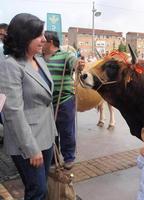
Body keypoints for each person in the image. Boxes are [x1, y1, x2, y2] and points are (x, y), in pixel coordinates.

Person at [0, 13, 57, 199]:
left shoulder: (39, 60)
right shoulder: (10, 66)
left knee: (40, 187)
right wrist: (31, 148)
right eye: (38, 35)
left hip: (47, 135)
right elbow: (13, 112)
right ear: (25, 38)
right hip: (27, 141)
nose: (44, 39)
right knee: (37, 190)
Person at [43, 31, 85, 170]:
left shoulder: (66, 55)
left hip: (64, 100)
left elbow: (74, 63)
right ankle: (52, 158)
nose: (41, 42)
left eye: (43, 39)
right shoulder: (38, 57)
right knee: (49, 132)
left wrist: (79, 65)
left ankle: (69, 157)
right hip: (45, 103)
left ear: (50, 42)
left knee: (66, 131)